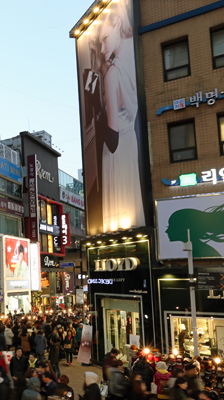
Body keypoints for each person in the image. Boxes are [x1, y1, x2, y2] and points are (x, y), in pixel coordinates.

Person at [96, 0, 145, 231]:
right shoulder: (133, 62)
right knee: (133, 211)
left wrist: (98, 120)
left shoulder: (113, 73)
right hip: (131, 144)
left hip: (116, 152)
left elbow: (112, 141)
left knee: (116, 222)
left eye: (104, 39)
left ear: (116, 23)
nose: (103, 49)